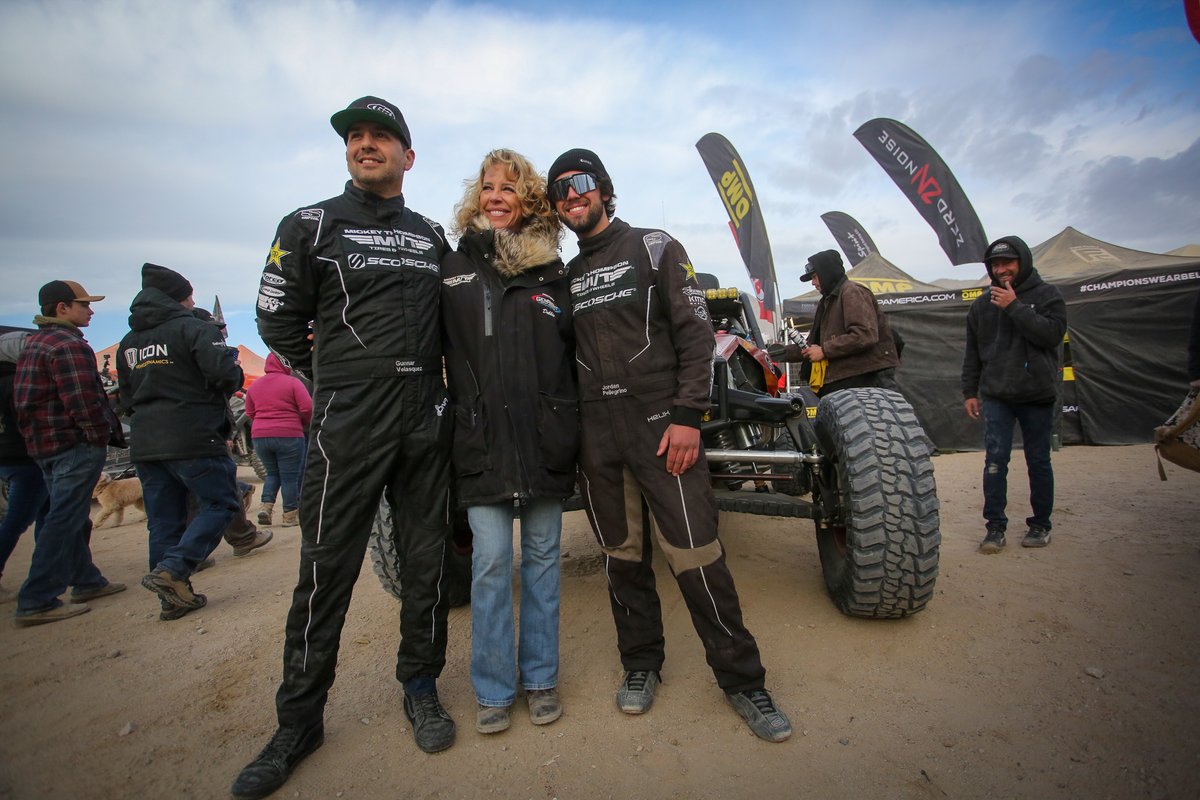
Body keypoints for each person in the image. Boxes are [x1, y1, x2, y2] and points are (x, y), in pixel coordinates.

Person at [232, 96, 455, 800]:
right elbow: (276, 317)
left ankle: (419, 685)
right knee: (325, 570)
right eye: (356, 136)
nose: (366, 144)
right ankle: (298, 722)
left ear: (408, 156)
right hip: (348, 418)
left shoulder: (430, 235)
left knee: (426, 568)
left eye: (381, 136)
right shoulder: (310, 224)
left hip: (424, 416)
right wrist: (332, 381)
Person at [546, 148, 791, 743]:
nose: (571, 196)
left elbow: (695, 334)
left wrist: (687, 417)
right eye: (559, 191)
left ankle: (744, 682)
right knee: (623, 557)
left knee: (695, 553)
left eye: (581, 184)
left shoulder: (654, 246)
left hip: (661, 426)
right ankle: (640, 666)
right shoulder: (564, 277)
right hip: (597, 435)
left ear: (604, 189)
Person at [441, 149, 577, 735]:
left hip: (544, 442)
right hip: (481, 443)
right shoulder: (452, 270)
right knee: (492, 565)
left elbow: (576, 360)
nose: (496, 195)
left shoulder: (554, 275)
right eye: (488, 186)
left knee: (544, 563)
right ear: (477, 198)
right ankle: (494, 689)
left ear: (528, 201)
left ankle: (541, 679)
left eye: (510, 187)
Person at [117, 263, 246, 619]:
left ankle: (172, 598)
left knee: (163, 521)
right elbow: (226, 376)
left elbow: (124, 398)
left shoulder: (129, 343)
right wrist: (230, 364)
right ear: (179, 297)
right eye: (190, 294)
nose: (193, 300)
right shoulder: (193, 329)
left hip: (146, 442)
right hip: (193, 434)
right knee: (222, 504)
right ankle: (174, 570)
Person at [12, 280, 127, 626]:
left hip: (45, 445)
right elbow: (82, 401)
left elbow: (25, 400)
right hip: (73, 445)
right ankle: (37, 598)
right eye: (83, 305)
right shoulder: (67, 346)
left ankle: (86, 580)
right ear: (62, 308)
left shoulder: (35, 343)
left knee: (68, 515)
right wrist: (97, 435)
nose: (90, 311)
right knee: (64, 518)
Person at [961, 236, 1067, 553]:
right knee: (995, 461)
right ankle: (994, 528)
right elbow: (973, 353)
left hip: (1037, 395)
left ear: (1022, 262)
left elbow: (1051, 336)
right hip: (997, 396)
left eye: (1008, 262)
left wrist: (1015, 307)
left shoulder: (1048, 295)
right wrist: (970, 391)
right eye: (995, 264)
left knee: (1038, 461)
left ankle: (1040, 526)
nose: (1001, 269)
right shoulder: (981, 305)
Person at [767, 249, 899, 395]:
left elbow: (864, 334)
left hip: (865, 379)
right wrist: (774, 353)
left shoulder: (851, 292)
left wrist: (824, 351)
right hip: (848, 380)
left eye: (815, 277)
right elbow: (811, 347)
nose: (813, 283)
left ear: (827, 273)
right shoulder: (827, 301)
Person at [0, 330, 46, 604]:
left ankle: (81, 574)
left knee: (52, 515)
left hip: (8, 459)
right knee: (18, 520)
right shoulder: (15, 382)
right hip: (25, 458)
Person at [244, 352, 312, 527]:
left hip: (260, 436)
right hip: (289, 434)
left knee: (272, 474)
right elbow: (307, 408)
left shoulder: (255, 385)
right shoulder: (292, 382)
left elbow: (250, 412)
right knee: (290, 477)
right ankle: (289, 515)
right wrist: (300, 422)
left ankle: (266, 507)